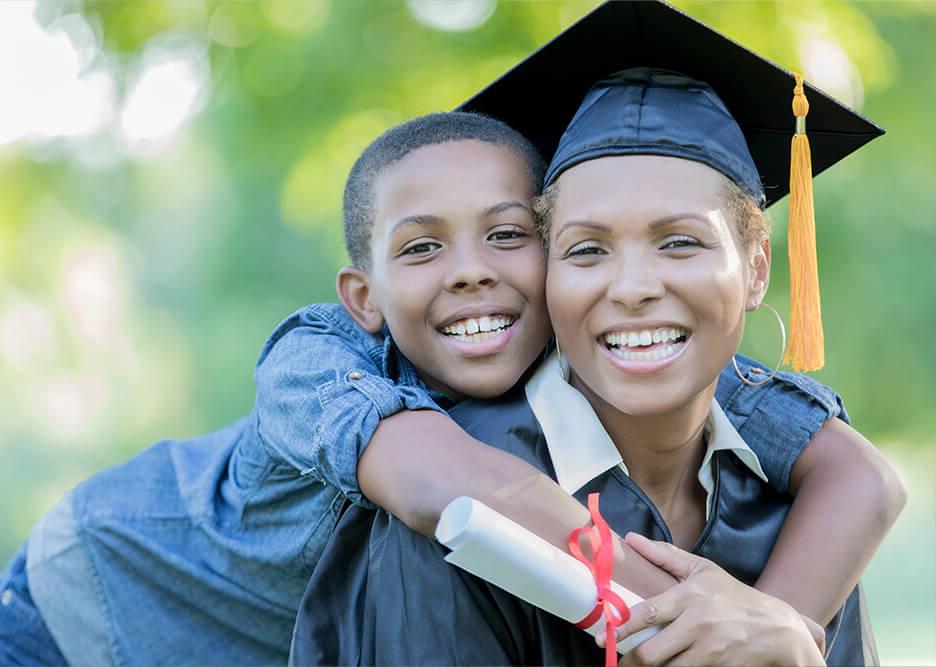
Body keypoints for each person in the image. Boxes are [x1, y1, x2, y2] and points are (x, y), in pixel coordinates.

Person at [0, 7, 903, 666]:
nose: (472, 271)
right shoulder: (320, 359)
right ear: (362, 293)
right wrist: (704, 623)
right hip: (93, 608)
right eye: (423, 248)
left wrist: (777, 621)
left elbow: (861, 474)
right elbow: (455, 489)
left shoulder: (617, 343)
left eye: (509, 236)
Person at [288, 2, 894, 666]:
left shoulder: (804, 513)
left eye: (681, 241)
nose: (631, 286)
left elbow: (863, 477)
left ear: (756, 268)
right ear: (547, 273)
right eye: (587, 250)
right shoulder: (457, 520)